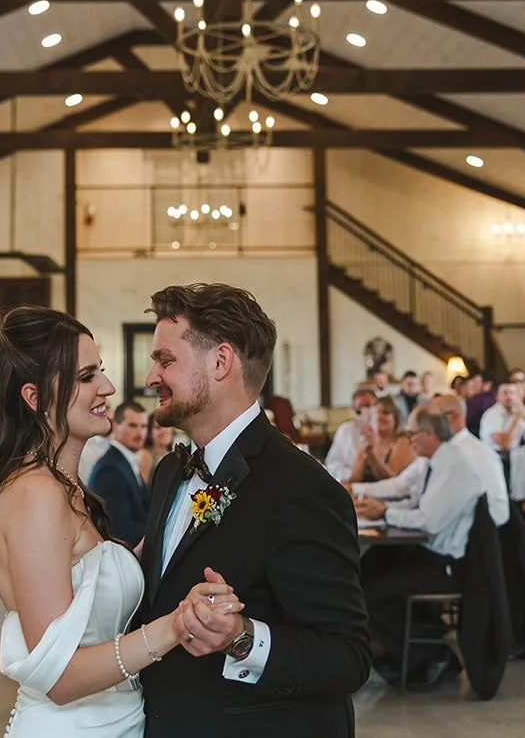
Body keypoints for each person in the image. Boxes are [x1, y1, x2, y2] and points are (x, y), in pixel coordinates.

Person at [0, 305, 249, 738]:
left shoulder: (65, 488)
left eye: (100, 371)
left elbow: (94, 584)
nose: (107, 386)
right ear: (35, 399)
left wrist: (193, 511)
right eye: (87, 377)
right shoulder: (36, 497)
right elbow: (62, 678)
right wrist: (177, 626)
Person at [134, 284, 372, 738]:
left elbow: (348, 657)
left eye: (165, 360)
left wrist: (241, 637)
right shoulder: (170, 471)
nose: (151, 377)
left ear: (221, 362)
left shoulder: (302, 489)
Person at [352, 404, 496, 688]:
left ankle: (435, 656)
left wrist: (385, 513)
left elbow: (428, 521)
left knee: (370, 594)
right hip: (429, 553)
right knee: (363, 576)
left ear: (430, 433)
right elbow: (413, 499)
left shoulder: (456, 465)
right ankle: (396, 652)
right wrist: (380, 507)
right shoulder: (435, 461)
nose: (409, 439)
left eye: (412, 433)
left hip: (446, 564)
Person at [88, 403, 151, 549]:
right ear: (116, 425)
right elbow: (119, 530)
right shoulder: (109, 469)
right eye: (133, 426)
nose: (140, 433)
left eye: (143, 426)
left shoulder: (126, 462)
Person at [347, 396, 416, 484]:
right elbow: (353, 479)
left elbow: (392, 481)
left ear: (396, 419)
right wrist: (365, 455)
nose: (379, 416)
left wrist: (371, 454)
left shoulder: (403, 442)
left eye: (385, 413)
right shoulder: (369, 443)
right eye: (376, 413)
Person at [323, 386, 378, 482]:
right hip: (352, 481)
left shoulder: (385, 427)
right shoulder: (346, 430)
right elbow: (333, 464)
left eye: (369, 406)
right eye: (360, 408)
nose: (365, 412)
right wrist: (351, 474)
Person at [142, 413, 177, 480]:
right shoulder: (145, 455)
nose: (164, 430)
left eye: (167, 426)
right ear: (149, 433)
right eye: (158, 428)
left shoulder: (176, 457)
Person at [463, 370, 497, 437]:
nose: (473, 385)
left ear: (487, 385)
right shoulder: (497, 397)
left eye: (476, 383)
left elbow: (465, 420)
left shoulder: (477, 400)